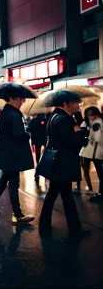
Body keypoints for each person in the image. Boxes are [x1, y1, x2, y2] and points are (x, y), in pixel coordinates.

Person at [38, 90, 90, 236]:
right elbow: (72, 141)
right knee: (65, 196)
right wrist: (82, 134)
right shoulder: (63, 119)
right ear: (65, 104)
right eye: (75, 103)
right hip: (63, 163)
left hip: (58, 162)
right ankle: (75, 229)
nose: (78, 105)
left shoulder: (55, 116)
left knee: (56, 194)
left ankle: (46, 224)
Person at [0, 91, 35, 224]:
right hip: (13, 155)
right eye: (21, 98)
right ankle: (17, 215)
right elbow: (18, 135)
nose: (23, 101)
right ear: (13, 98)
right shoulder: (14, 114)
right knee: (13, 183)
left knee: (4, 180)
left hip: (6, 153)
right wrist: (27, 134)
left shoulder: (4, 113)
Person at [77, 107, 103, 202]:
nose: (89, 117)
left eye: (90, 115)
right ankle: (99, 193)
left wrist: (88, 134)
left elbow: (97, 138)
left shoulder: (97, 123)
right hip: (94, 152)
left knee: (100, 174)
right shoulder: (96, 122)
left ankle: (100, 195)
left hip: (96, 152)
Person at [27, 114, 47, 182]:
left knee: (37, 157)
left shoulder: (33, 121)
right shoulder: (45, 120)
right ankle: (43, 172)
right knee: (44, 157)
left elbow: (28, 129)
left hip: (35, 142)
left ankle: (37, 172)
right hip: (43, 141)